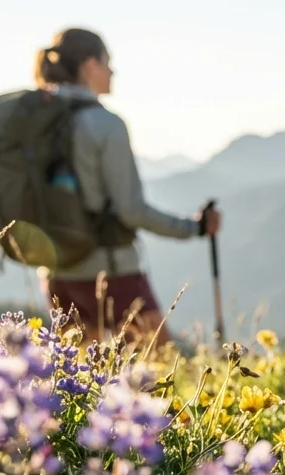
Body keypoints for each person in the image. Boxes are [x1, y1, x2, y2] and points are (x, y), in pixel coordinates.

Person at [30, 27, 220, 347]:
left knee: (77, 384)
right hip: (111, 271)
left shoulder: (36, 121)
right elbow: (131, 210)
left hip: (55, 271)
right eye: (108, 62)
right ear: (91, 65)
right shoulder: (106, 124)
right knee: (156, 374)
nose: (112, 71)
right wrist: (194, 228)